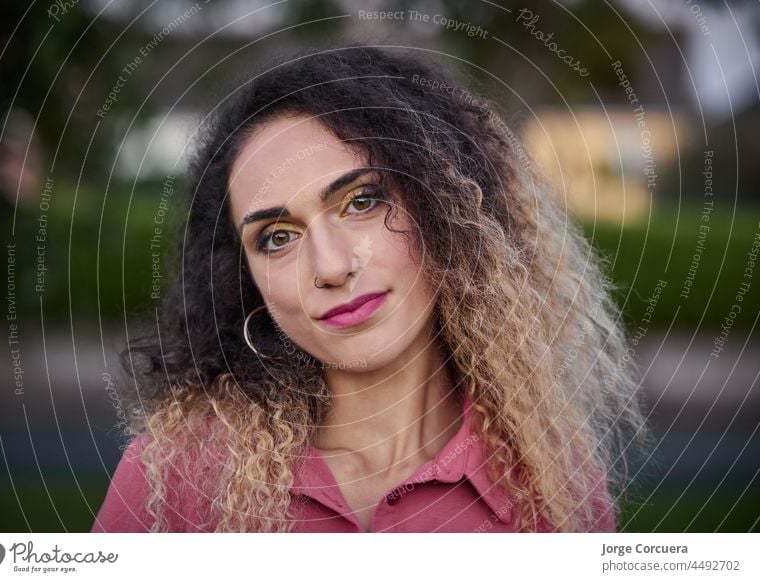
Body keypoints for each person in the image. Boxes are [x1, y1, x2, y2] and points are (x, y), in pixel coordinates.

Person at [90, 44, 649, 533]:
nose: (330, 266)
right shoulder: (175, 481)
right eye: (277, 237)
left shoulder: (553, 488)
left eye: (361, 201)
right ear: (245, 281)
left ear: (446, 210)